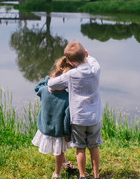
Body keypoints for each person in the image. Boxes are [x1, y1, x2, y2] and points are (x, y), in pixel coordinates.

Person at [48, 41, 103, 179]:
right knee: (94, 146)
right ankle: (96, 176)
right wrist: (86, 55)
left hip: (78, 118)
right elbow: (92, 59)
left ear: (70, 62)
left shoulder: (71, 75)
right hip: (94, 117)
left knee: (80, 148)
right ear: (85, 53)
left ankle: (82, 175)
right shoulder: (96, 69)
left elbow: (51, 83)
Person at [32, 56, 77, 178]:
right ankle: (56, 173)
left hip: (45, 127)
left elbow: (37, 87)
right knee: (59, 151)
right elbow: (67, 119)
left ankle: (66, 163)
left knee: (59, 149)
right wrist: (68, 135)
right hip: (59, 131)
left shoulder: (43, 90)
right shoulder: (67, 98)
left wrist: (48, 78)